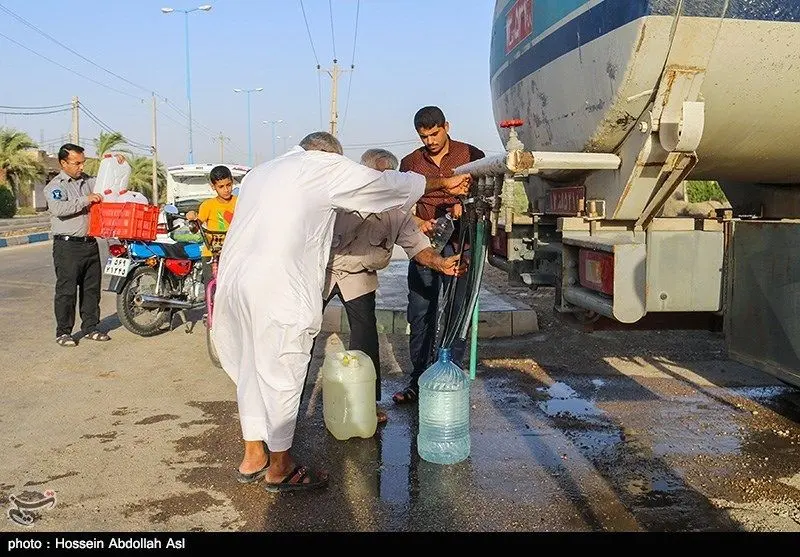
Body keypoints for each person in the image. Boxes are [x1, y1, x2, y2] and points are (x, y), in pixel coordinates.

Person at [211, 132, 471, 491]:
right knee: (286, 364)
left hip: (238, 281)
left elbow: (413, 239)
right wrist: (443, 181)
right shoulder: (322, 169)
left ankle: (253, 454)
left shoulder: (263, 172)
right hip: (280, 283)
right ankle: (280, 467)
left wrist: (440, 263)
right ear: (329, 156)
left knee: (254, 365)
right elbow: (384, 183)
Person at [322, 148, 466, 425]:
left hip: (359, 275)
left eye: (387, 179)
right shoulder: (337, 199)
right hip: (323, 270)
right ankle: (288, 399)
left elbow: (418, 247)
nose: (380, 185)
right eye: (375, 178)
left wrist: (442, 264)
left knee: (365, 336)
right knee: (303, 332)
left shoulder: (396, 213)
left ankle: (368, 403)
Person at [393, 106, 485, 405]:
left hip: (462, 242)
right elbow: (401, 202)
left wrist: (465, 207)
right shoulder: (410, 162)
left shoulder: (471, 154)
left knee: (458, 311)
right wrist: (420, 222)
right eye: (424, 136)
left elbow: (486, 196)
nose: (430, 141)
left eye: (435, 133)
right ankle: (418, 379)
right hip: (425, 244)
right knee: (421, 310)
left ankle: (449, 379)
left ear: (447, 126)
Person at [44, 144, 122, 347]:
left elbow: (109, 187)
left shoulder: (89, 181)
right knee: (66, 291)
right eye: (76, 163)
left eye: (82, 162)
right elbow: (59, 208)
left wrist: (116, 165)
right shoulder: (55, 186)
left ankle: (91, 327)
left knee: (91, 289)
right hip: (67, 247)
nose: (81, 166)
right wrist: (85, 200)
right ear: (63, 163)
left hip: (90, 244)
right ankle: (63, 332)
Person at [184, 165, 237, 285]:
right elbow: (196, 228)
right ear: (213, 187)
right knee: (212, 287)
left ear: (232, 182)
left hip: (233, 253)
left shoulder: (239, 202)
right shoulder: (207, 205)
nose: (226, 190)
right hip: (211, 254)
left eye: (228, 185)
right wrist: (192, 218)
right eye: (221, 187)